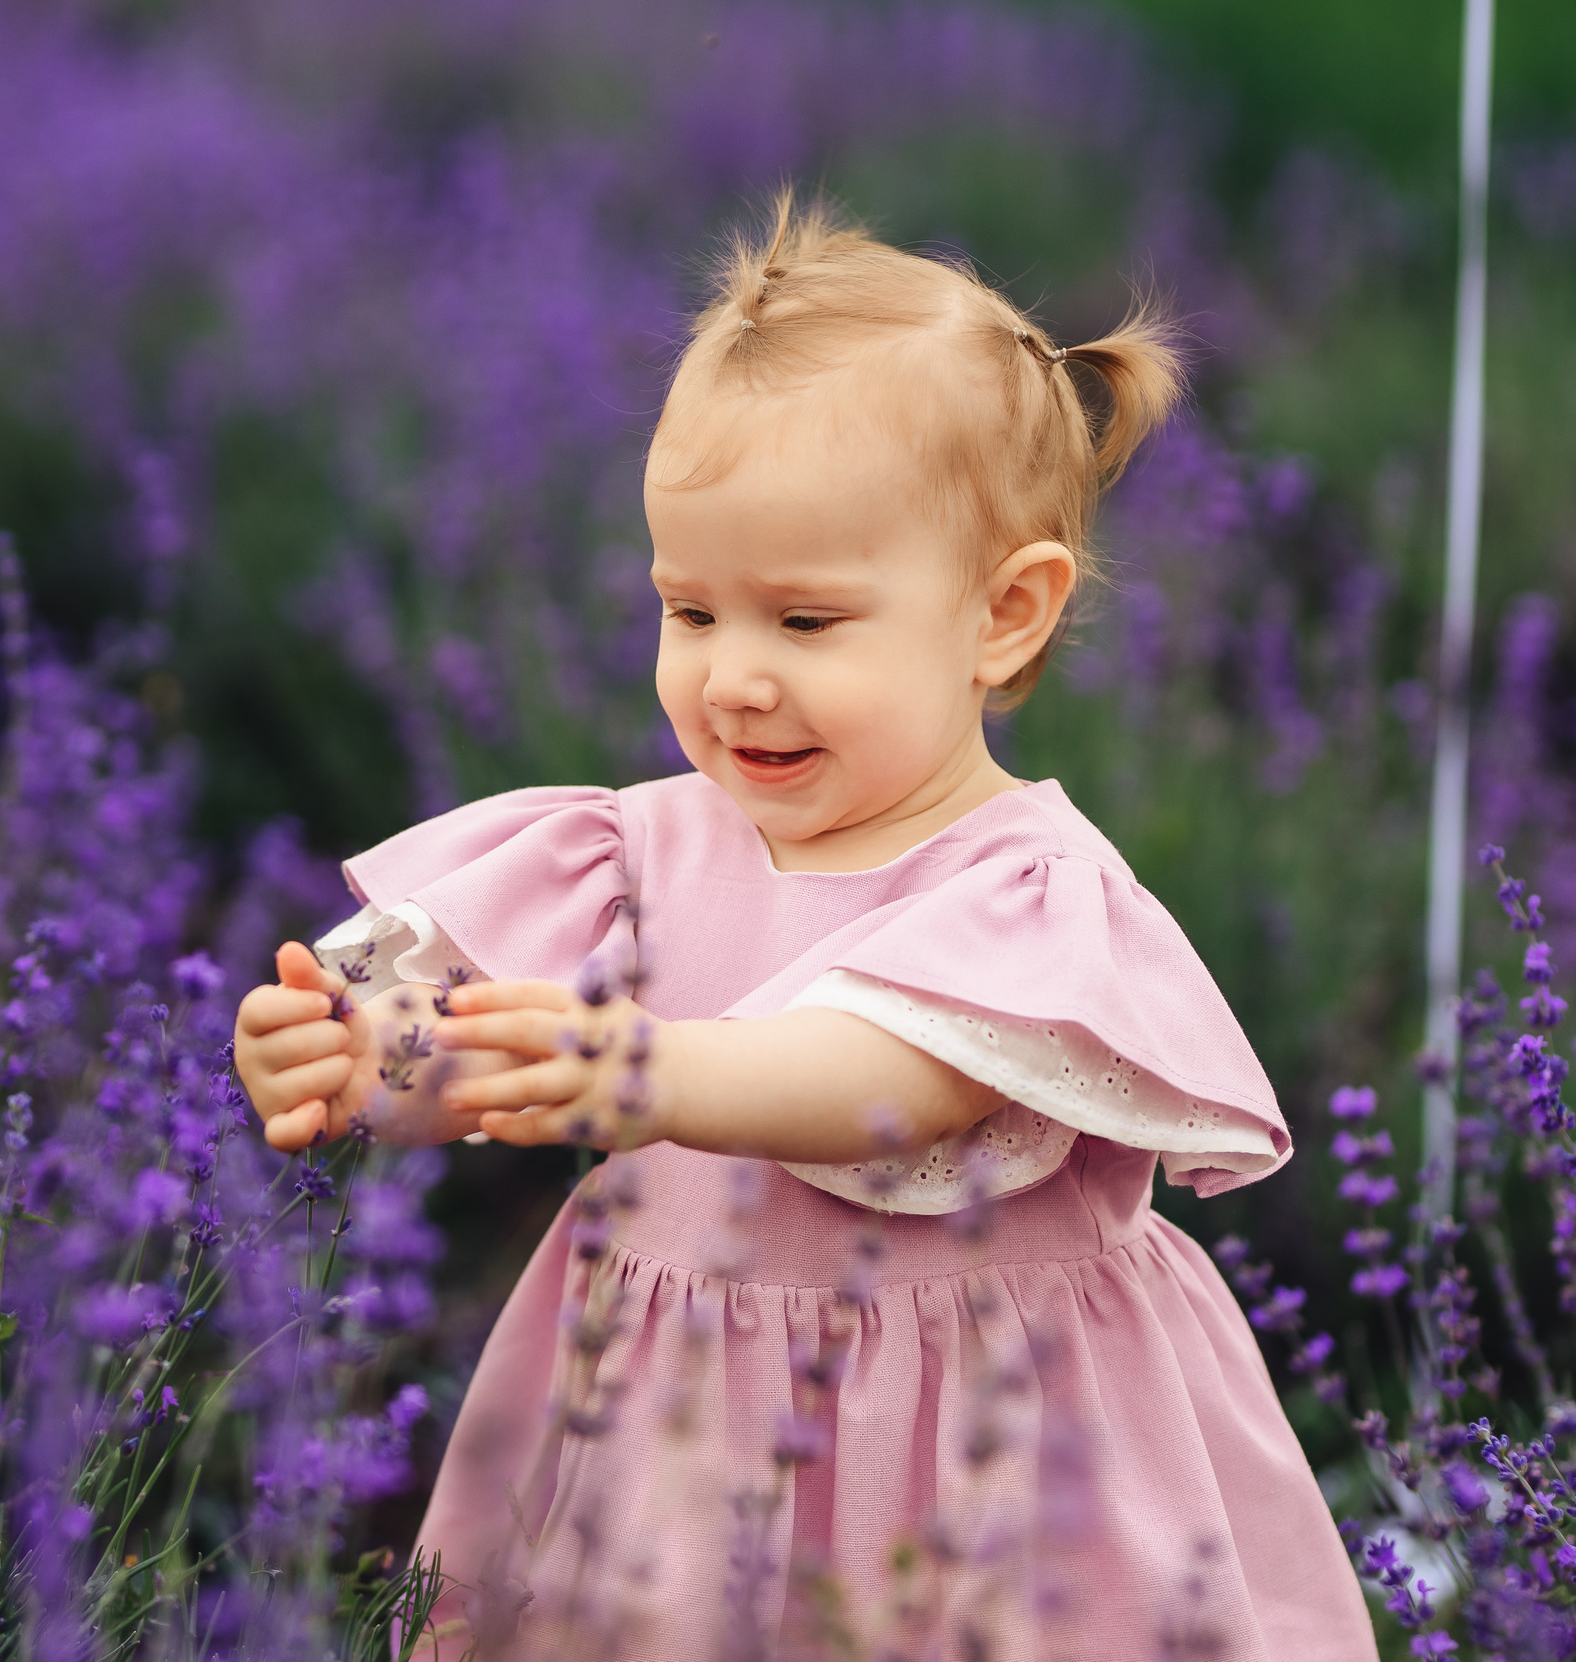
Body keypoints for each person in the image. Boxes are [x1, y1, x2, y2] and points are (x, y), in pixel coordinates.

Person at [233, 197, 1375, 1660]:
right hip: (679, 1447)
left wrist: (649, 1076)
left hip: (990, 1465)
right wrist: (363, 1063)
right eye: (690, 611)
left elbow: (886, 1079)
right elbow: (503, 1057)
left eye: (806, 622)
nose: (734, 679)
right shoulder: (631, 853)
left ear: (1004, 617)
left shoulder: (1026, 896)